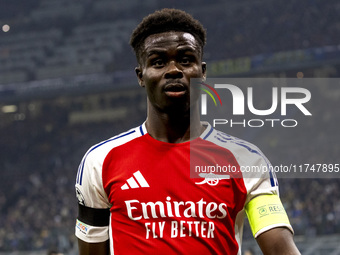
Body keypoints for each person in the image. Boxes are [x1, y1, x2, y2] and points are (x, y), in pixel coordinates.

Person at [75, 8, 301, 255]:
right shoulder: (100, 161)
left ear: (202, 72)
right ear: (141, 76)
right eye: (158, 62)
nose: (173, 70)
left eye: (185, 60)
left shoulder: (247, 161)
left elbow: (281, 249)